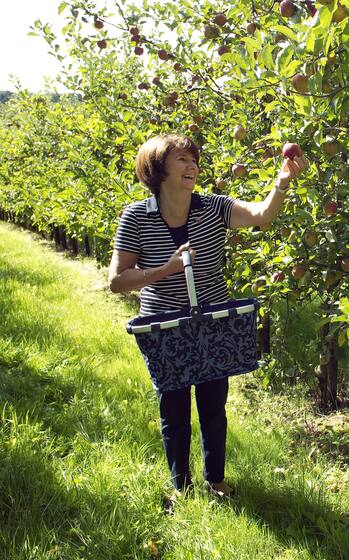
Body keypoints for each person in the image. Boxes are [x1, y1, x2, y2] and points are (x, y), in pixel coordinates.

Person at [108, 134, 307, 512]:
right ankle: (180, 486)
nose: (192, 167)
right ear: (157, 169)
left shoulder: (213, 208)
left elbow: (262, 215)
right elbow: (117, 281)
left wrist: (281, 183)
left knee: (214, 405)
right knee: (174, 408)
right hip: (165, 325)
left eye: (194, 160)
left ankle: (215, 480)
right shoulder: (137, 216)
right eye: (182, 159)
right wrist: (166, 269)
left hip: (212, 320)